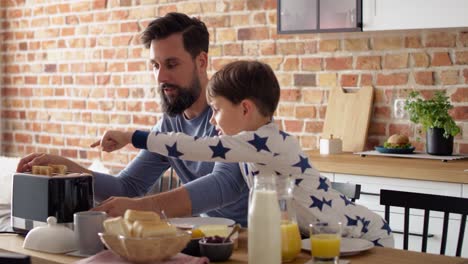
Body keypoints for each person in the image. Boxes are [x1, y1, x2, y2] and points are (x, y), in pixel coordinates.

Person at [93, 60, 394, 247]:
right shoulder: (256, 146)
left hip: (364, 235)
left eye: (217, 110)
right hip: (322, 238)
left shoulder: (266, 142)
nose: (212, 120)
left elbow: (194, 147)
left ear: (245, 108)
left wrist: (132, 136)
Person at [15, 12, 249, 226]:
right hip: (212, 237)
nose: (160, 77)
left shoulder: (233, 113)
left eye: (171, 64)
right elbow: (127, 187)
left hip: (256, 236)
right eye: (155, 66)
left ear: (201, 61)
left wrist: (141, 207)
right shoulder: (170, 123)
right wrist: (67, 168)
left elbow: (224, 185)